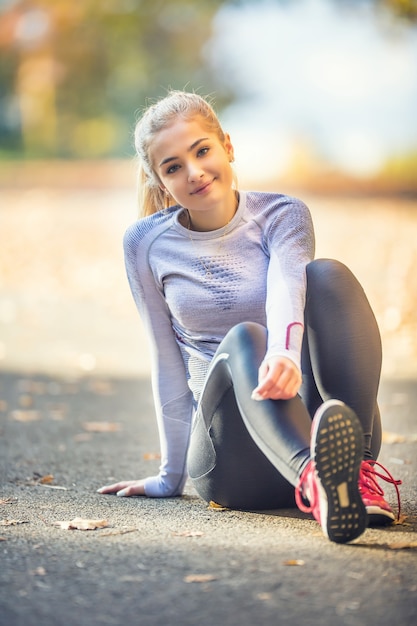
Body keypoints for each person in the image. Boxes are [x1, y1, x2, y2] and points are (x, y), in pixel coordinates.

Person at [98, 90, 401, 544]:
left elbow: (286, 289)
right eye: (174, 166)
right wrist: (169, 476)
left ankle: (353, 470)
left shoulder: (282, 214)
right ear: (160, 181)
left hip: (309, 422)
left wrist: (284, 353)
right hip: (233, 462)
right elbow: (164, 358)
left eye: (202, 151)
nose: (194, 172)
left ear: (228, 146)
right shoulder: (145, 242)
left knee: (327, 276)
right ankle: (315, 480)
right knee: (245, 339)